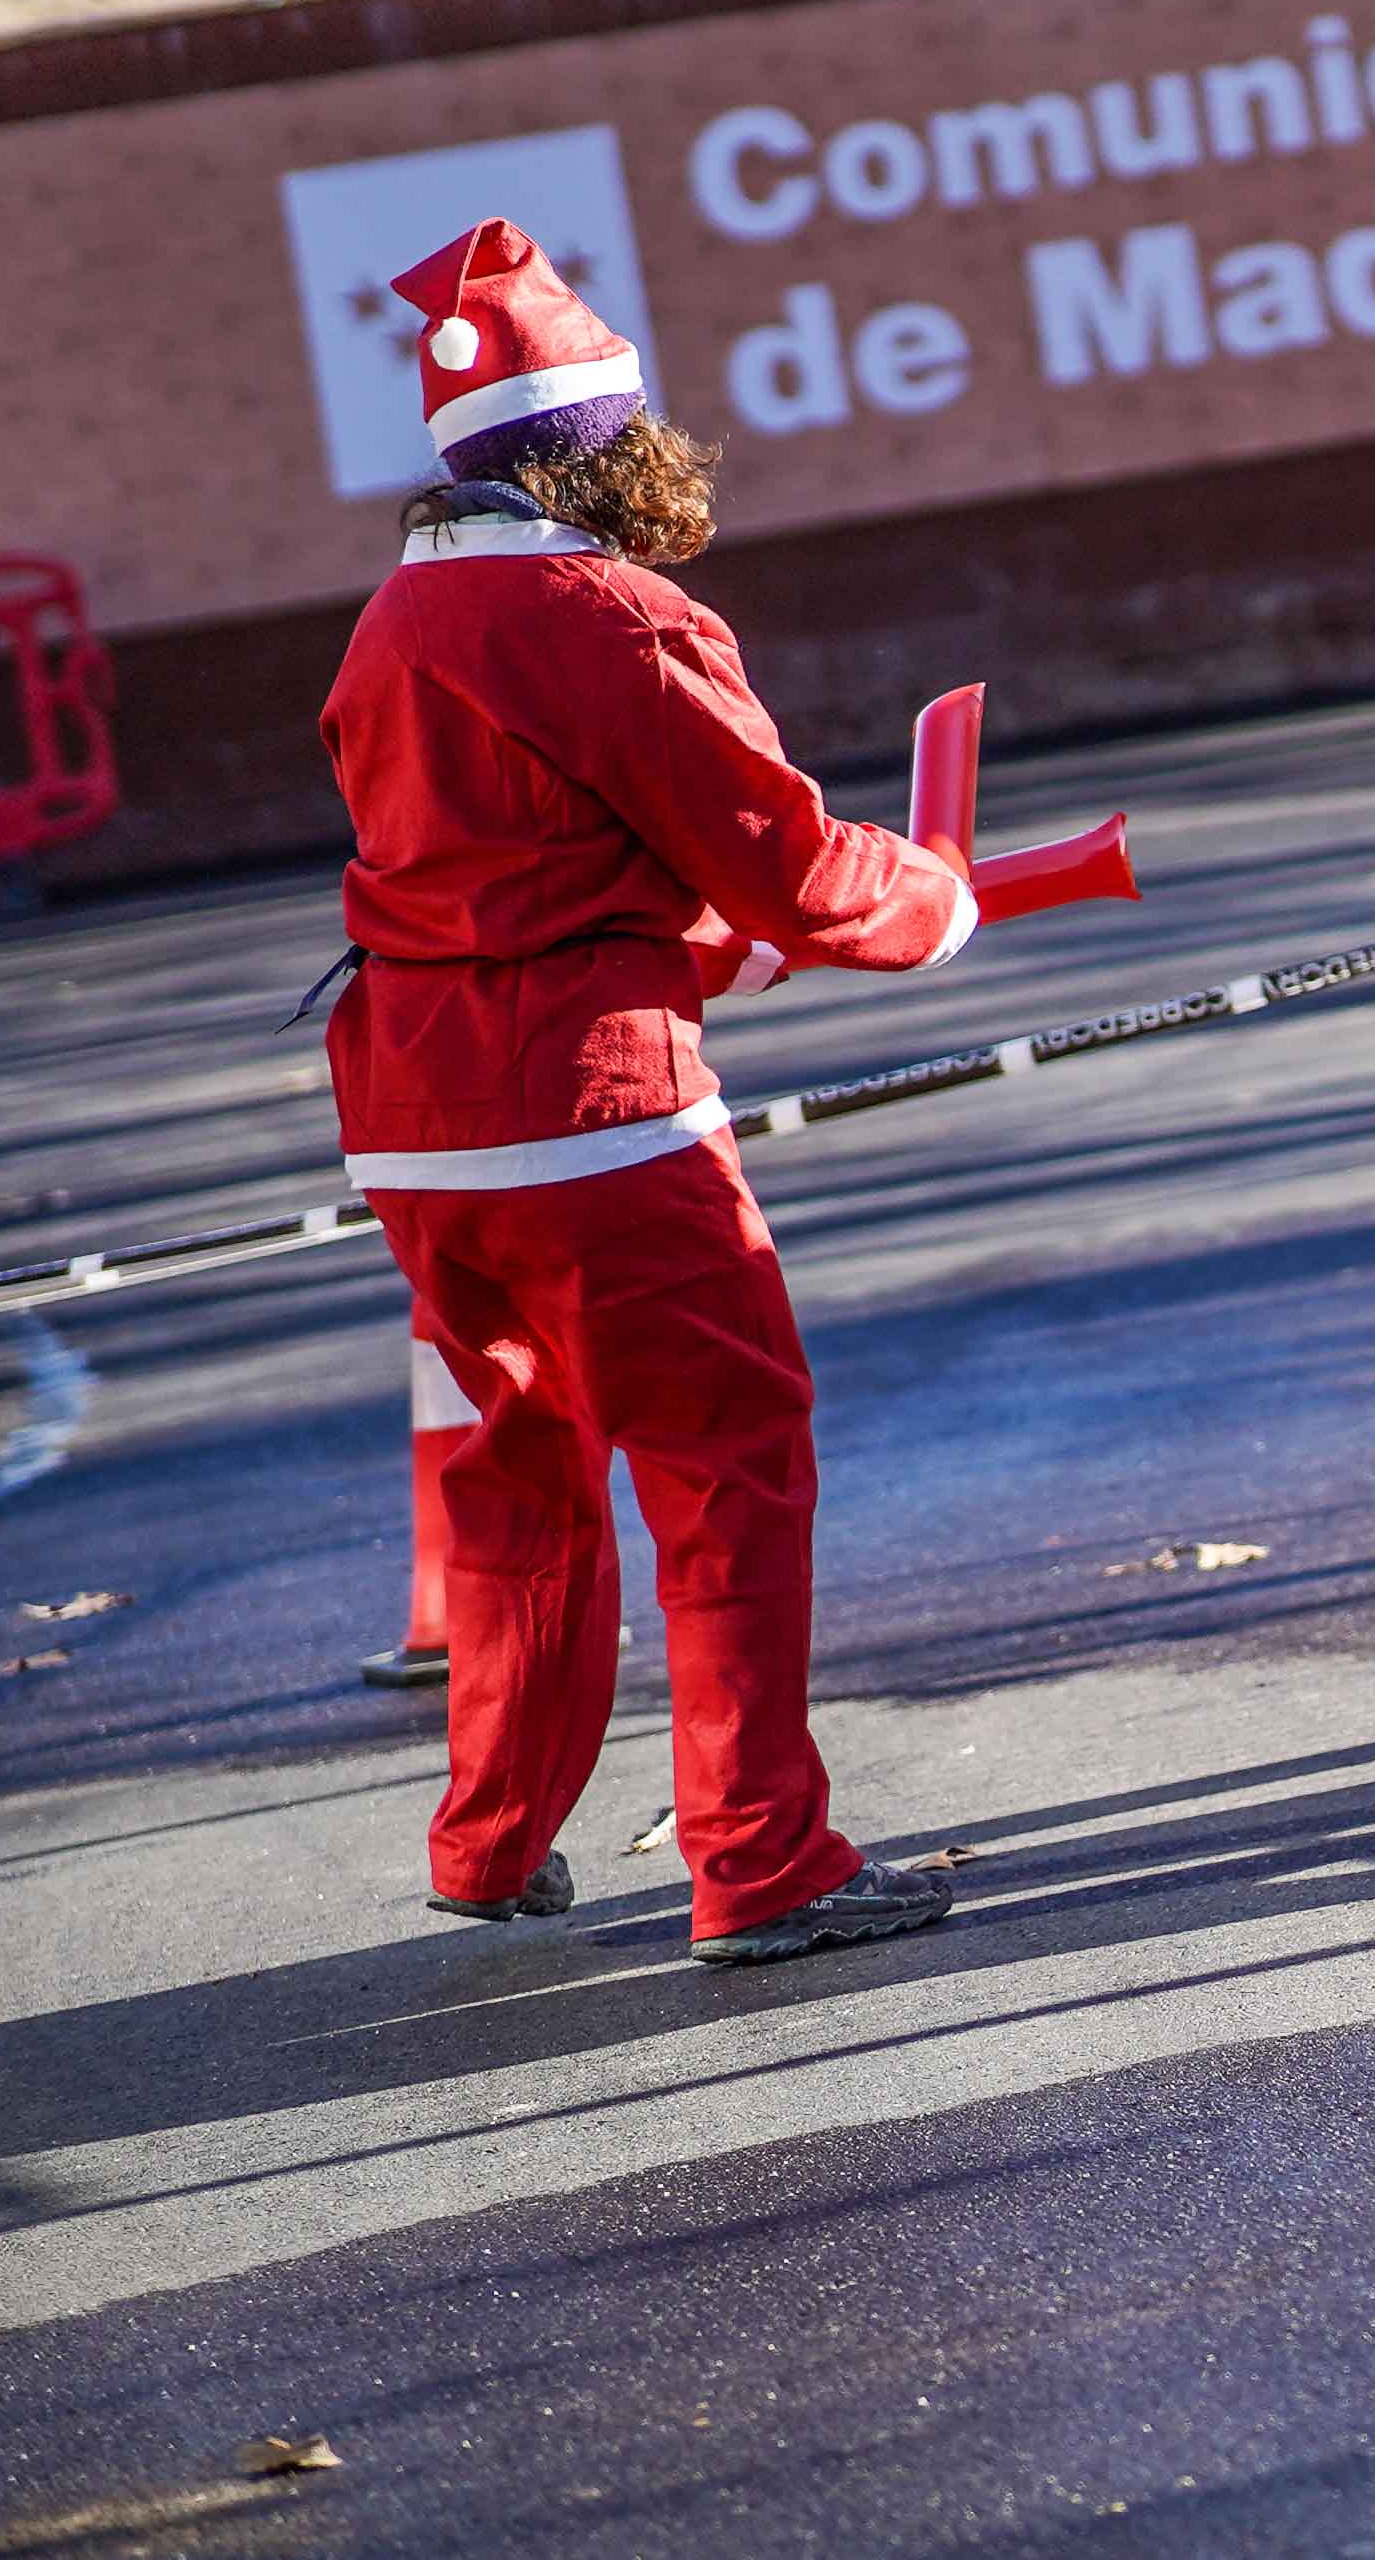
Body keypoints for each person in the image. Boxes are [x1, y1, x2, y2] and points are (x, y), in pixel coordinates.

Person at [320, 221, 965, 1964]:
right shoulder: (611, 612)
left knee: (517, 1476)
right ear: (604, 449)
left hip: (412, 1112)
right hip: (595, 1115)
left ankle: (490, 1841)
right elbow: (796, 866)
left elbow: (506, 873)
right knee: (725, 1468)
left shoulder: (392, 621)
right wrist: (935, 899)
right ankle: (763, 1864)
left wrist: (684, 939)